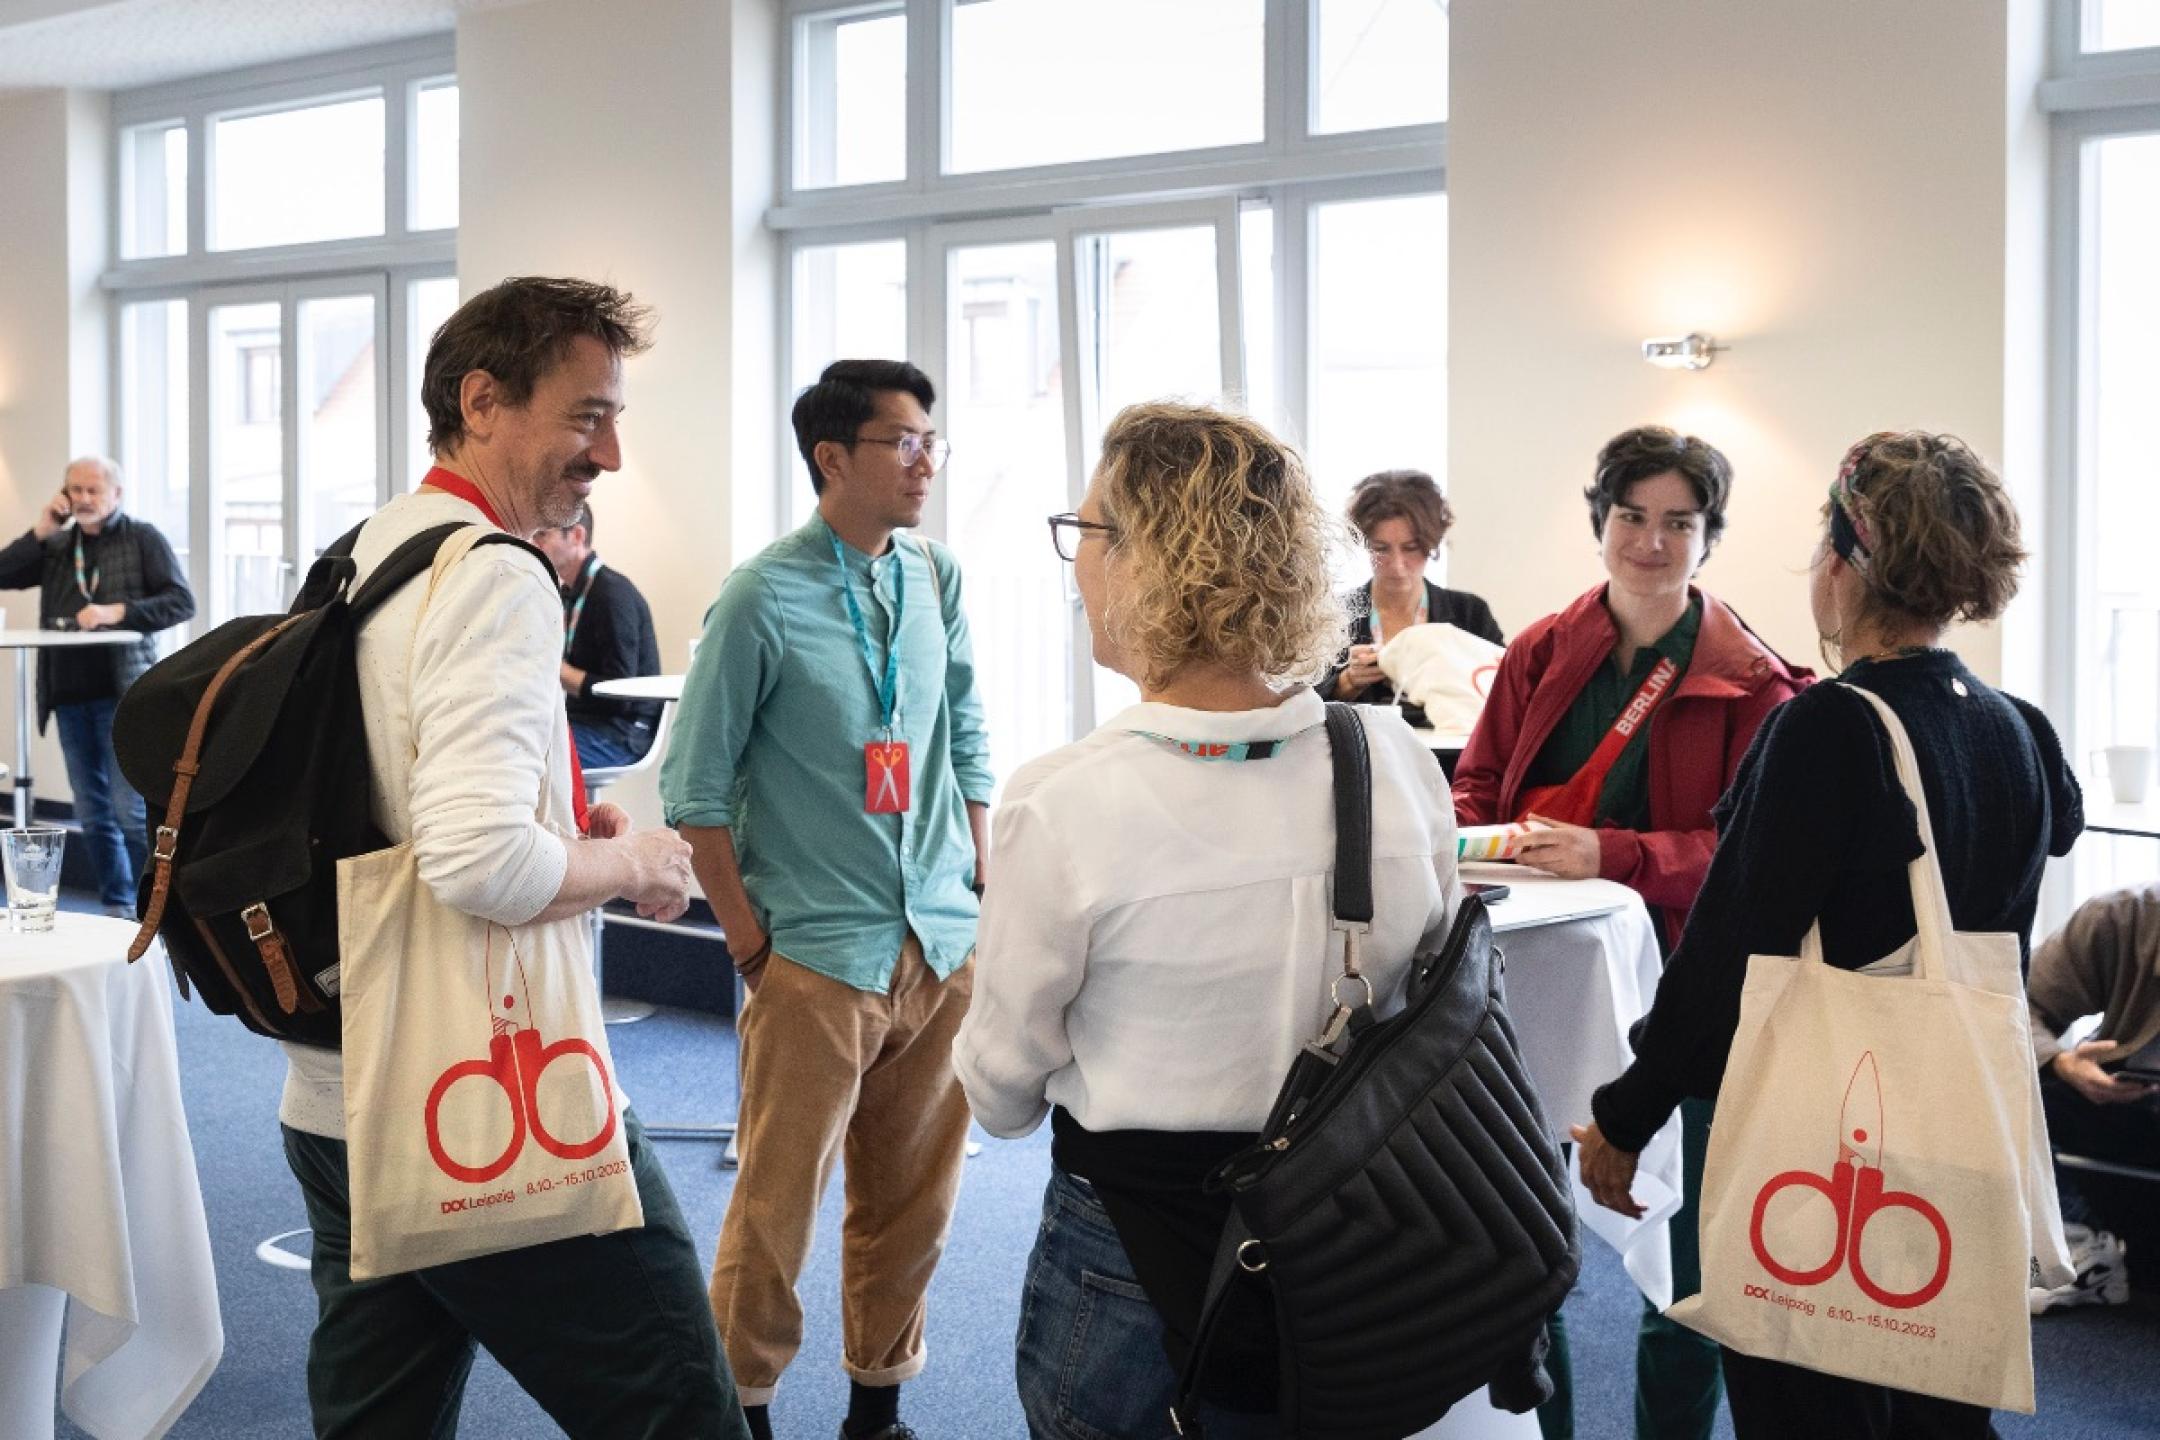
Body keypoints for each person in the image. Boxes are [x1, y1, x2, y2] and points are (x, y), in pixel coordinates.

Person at [275, 276, 749, 1438]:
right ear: (483, 400)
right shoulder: (492, 570)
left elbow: (394, 793)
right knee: (681, 1415)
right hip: (482, 1093)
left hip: (339, 1094)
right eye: (589, 416)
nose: (614, 454)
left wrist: (555, 837)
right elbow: (479, 862)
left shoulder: (371, 549)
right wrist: (636, 861)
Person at [952, 402, 1464, 1439]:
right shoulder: (1396, 762)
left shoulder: (1065, 800)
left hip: (1137, 1256)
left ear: (1152, 558)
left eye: (1088, 534)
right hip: (1365, 1242)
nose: (1075, 565)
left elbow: (1001, 1093)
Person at [1576, 431, 2083, 1439]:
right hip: (1963, 1126)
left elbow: (1728, 951)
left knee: (1816, 1403)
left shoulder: (1831, 727)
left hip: (1833, 1144)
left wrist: (1627, 1115)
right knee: (1939, 1409)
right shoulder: (2018, 725)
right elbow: (2052, 828)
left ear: (1848, 565)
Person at [1452, 424, 1808, 1440]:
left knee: (1683, 1262)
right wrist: (1496, 836)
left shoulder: (1754, 680)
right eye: (1632, 518)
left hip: (1690, 993)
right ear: (1600, 522)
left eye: (1679, 524)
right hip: (1535, 973)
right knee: (1527, 1243)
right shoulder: (1542, 647)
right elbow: (1476, 783)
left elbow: (1744, 862)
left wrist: (1612, 855)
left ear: (1710, 537)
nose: (1651, 543)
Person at [662, 358, 990, 1440]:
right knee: (777, 1208)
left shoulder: (933, 575)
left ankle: (875, 1410)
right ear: (831, 458)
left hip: (936, 944)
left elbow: (966, 737)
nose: (924, 460)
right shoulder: (761, 594)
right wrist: (753, 948)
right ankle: (744, 1409)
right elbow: (694, 789)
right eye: (903, 440)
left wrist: (972, 878)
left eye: (931, 440)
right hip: (814, 955)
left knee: (913, 1207)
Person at [0, 456, 194, 916]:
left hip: (122, 693)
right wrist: (42, 529)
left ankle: (162, 911)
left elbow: (181, 602)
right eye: (75, 490)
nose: (84, 499)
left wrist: (117, 611)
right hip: (67, 695)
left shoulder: (142, 538)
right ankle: (117, 906)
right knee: (91, 813)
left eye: (93, 490)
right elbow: (4, 573)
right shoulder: (59, 546)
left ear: (116, 494)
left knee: (129, 811)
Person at [2025, 882, 2160, 1313]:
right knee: (2011, 1089)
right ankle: (2081, 1247)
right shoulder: (2121, 916)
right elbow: (2015, 1008)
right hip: (2119, 1107)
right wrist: (2063, 1063)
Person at [1322, 467, 1504, 718]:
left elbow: (1502, 693)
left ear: (1432, 542)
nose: (1397, 565)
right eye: (1381, 549)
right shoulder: (1335, 616)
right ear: (1362, 543)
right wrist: (1347, 682)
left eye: (1411, 548)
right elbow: (1301, 707)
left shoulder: (1470, 613)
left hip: (1451, 756)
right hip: (1364, 755)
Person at [532, 505, 664, 769]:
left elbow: (621, 693)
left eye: (543, 535)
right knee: (517, 736)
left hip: (623, 733)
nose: (534, 544)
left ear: (578, 536)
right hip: (585, 723)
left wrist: (558, 670)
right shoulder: (569, 592)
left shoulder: (612, 594)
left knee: (528, 752)